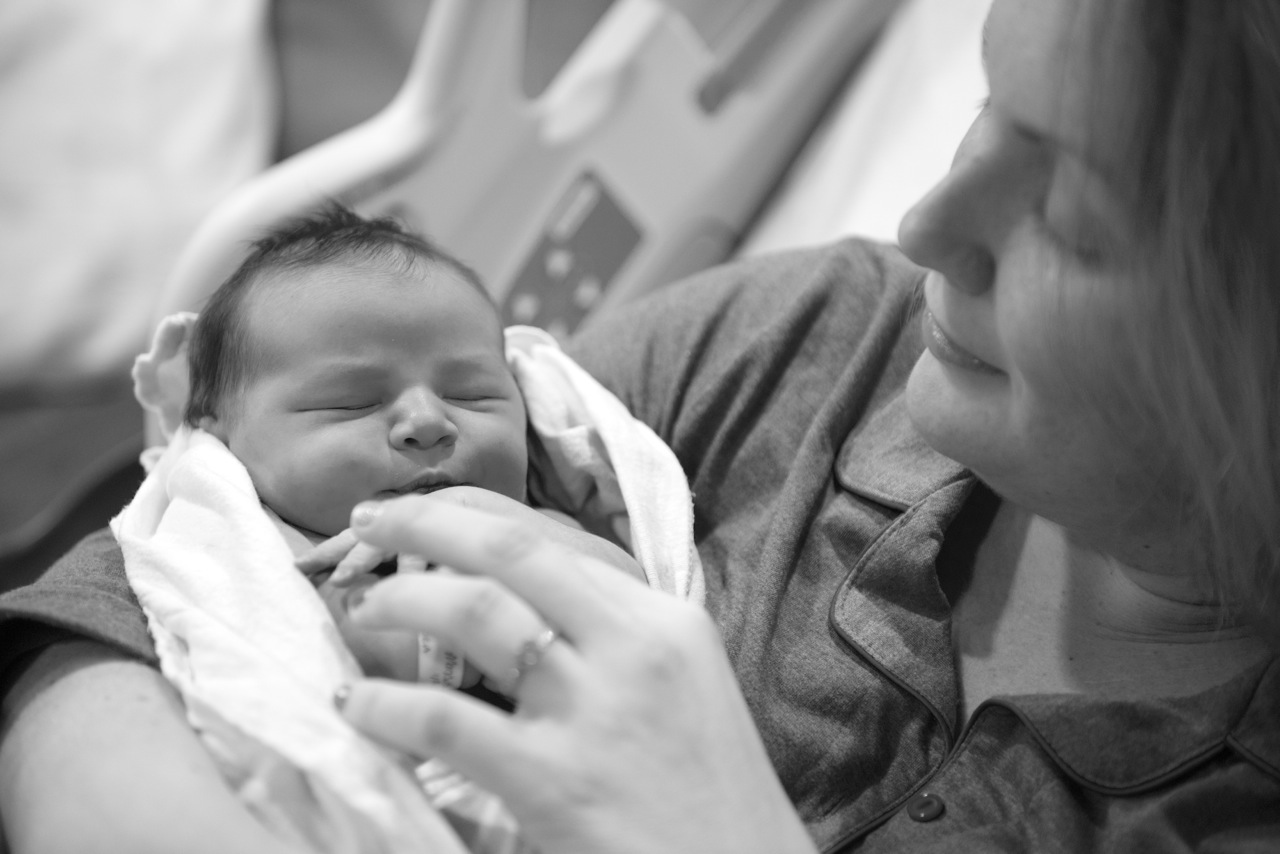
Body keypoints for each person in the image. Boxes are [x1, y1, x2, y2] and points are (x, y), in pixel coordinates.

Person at [1, 0, 1278, 852]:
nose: (927, 224)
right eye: (987, 110)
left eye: (1073, 218)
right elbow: (127, 588)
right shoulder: (805, 342)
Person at [151, 203, 643, 689]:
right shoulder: (266, 549)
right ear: (220, 431)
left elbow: (646, 605)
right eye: (352, 402)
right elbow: (353, 657)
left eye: (471, 394)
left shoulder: (540, 521)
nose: (428, 423)